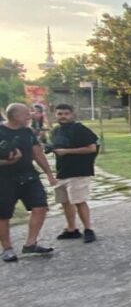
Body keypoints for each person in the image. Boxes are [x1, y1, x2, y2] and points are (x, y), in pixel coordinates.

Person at [0, 103, 58, 262]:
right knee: (3, 215)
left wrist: (49, 174)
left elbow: (38, 154)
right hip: (4, 179)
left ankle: (30, 243)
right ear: (16, 116)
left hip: (29, 176)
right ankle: (7, 249)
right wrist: (8, 162)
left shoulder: (28, 132)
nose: (30, 116)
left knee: (40, 206)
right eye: (27, 114)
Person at [50, 104, 99, 243]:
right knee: (65, 202)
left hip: (79, 171)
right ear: (55, 115)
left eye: (66, 113)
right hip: (62, 171)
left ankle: (88, 229)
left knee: (79, 201)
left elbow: (91, 148)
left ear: (72, 114)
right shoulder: (55, 131)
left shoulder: (80, 129)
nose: (63, 116)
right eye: (60, 114)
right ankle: (72, 229)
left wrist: (67, 152)